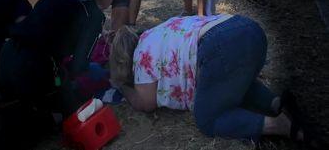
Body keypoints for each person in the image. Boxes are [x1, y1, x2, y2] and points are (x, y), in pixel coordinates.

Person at [109, 15, 309, 142]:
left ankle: (279, 125)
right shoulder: (161, 30)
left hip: (220, 45)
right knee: (231, 84)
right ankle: (277, 104)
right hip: (249, 29)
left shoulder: (141, 55)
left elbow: (145, 103)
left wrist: (121, 86)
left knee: (207, 119)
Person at [0, 0, 121, 118]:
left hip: (5, 58)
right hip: (29, 71)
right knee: (74, 110)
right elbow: (78, 67)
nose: (112, 1)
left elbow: (46, 29)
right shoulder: (94, 15)